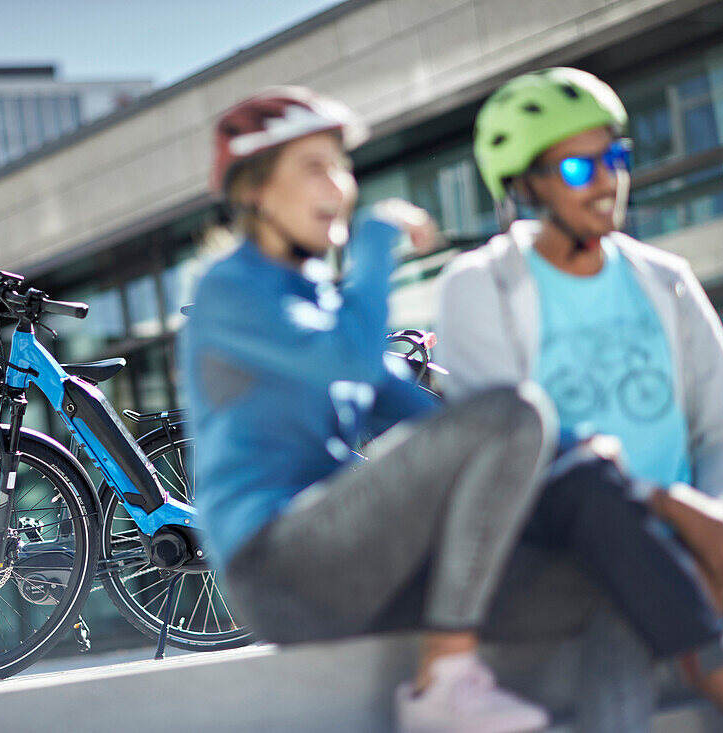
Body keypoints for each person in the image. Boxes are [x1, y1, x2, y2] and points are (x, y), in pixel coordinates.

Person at [182, 85, 561, 733]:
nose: (339, 183)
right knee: (512, 412)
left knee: (587, 585)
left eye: (341, 164)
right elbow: (353, 361)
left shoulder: (319, 302)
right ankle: (443, 682)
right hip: (277, 562)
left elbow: (419, 415)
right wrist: (376, 244)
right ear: (253, 191)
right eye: (312, 166)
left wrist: (569, 454)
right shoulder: (229, 291)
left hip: (354, 556)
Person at [433, 67, 723, 730]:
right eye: (581, 168)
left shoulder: (665, 279)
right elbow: (509, 452)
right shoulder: (479, 285)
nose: (610, 179)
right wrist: (668, 508)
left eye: (616, 158)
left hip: (692, 536)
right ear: (526, 184)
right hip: (563, 547)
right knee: (622, 580)